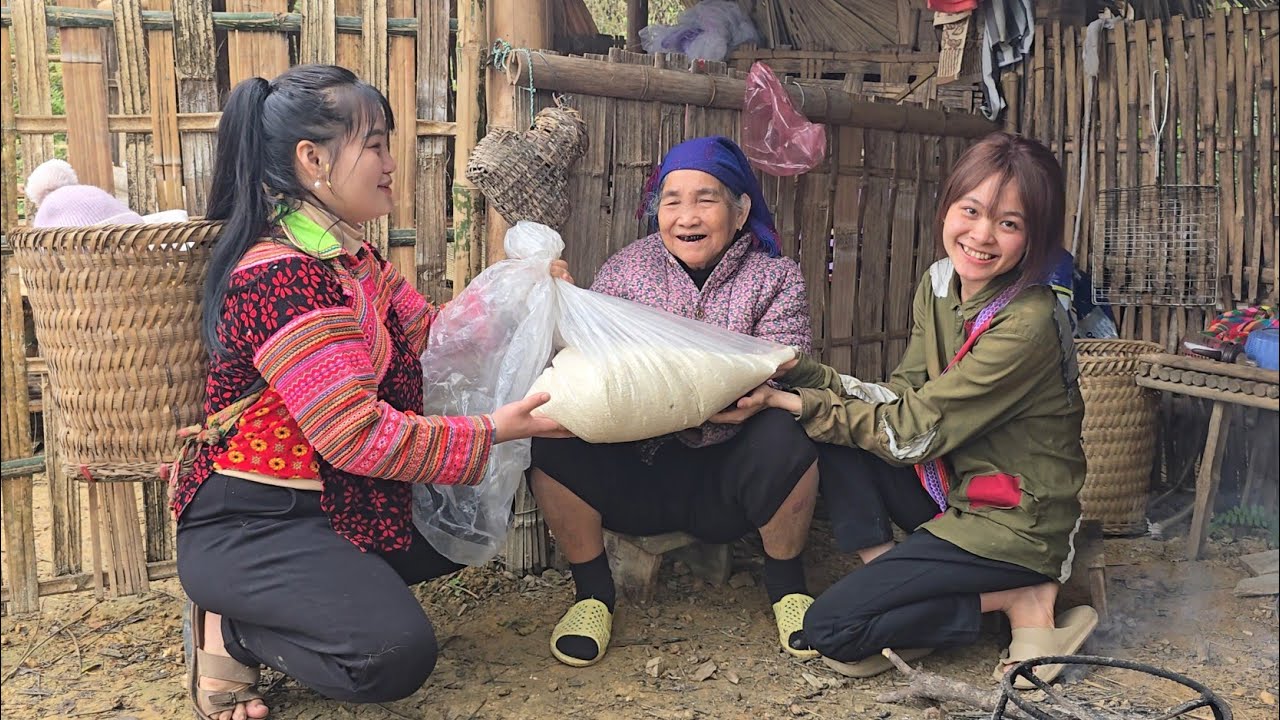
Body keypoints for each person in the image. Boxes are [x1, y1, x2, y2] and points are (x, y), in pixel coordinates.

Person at [173, 65, 571, 720]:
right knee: (393, 653)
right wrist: (497, 428)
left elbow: (436, 337)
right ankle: (232, 625)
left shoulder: (354, 259)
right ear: (312, 160)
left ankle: (301, 596)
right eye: (376, 144)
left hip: (331, 504)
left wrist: (523, 292)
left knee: (452, 532)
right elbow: (355, 436)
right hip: (252, 522)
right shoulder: (282, 278)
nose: (392, 162)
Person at [713, 132, 1096, 687]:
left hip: (1013, 519)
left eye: (1009, 224)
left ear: (1035, 237)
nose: (982, 236)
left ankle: (1018, 596)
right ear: (948, 206)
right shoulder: (941, 283)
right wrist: (795, 372)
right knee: (828, 432)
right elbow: (900, 399)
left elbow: (912, 432)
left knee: (831, 628)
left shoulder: (1029, 322)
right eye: (971, 211)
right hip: (951, 487)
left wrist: (794, 400)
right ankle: (898, 583)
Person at [528, 135, 821, 669]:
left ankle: (788, 588)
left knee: (789, 429)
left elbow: (789, 360)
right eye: (671, 200)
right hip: (641, 467)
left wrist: (760, 397)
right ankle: (592, 595)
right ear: (656, 211)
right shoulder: (626, 272)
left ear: (740, 209)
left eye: (706, 199)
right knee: (554, 430)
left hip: (729, 473)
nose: (687, 215)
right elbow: (594, 364)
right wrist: (556, 300)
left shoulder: (775, 277)